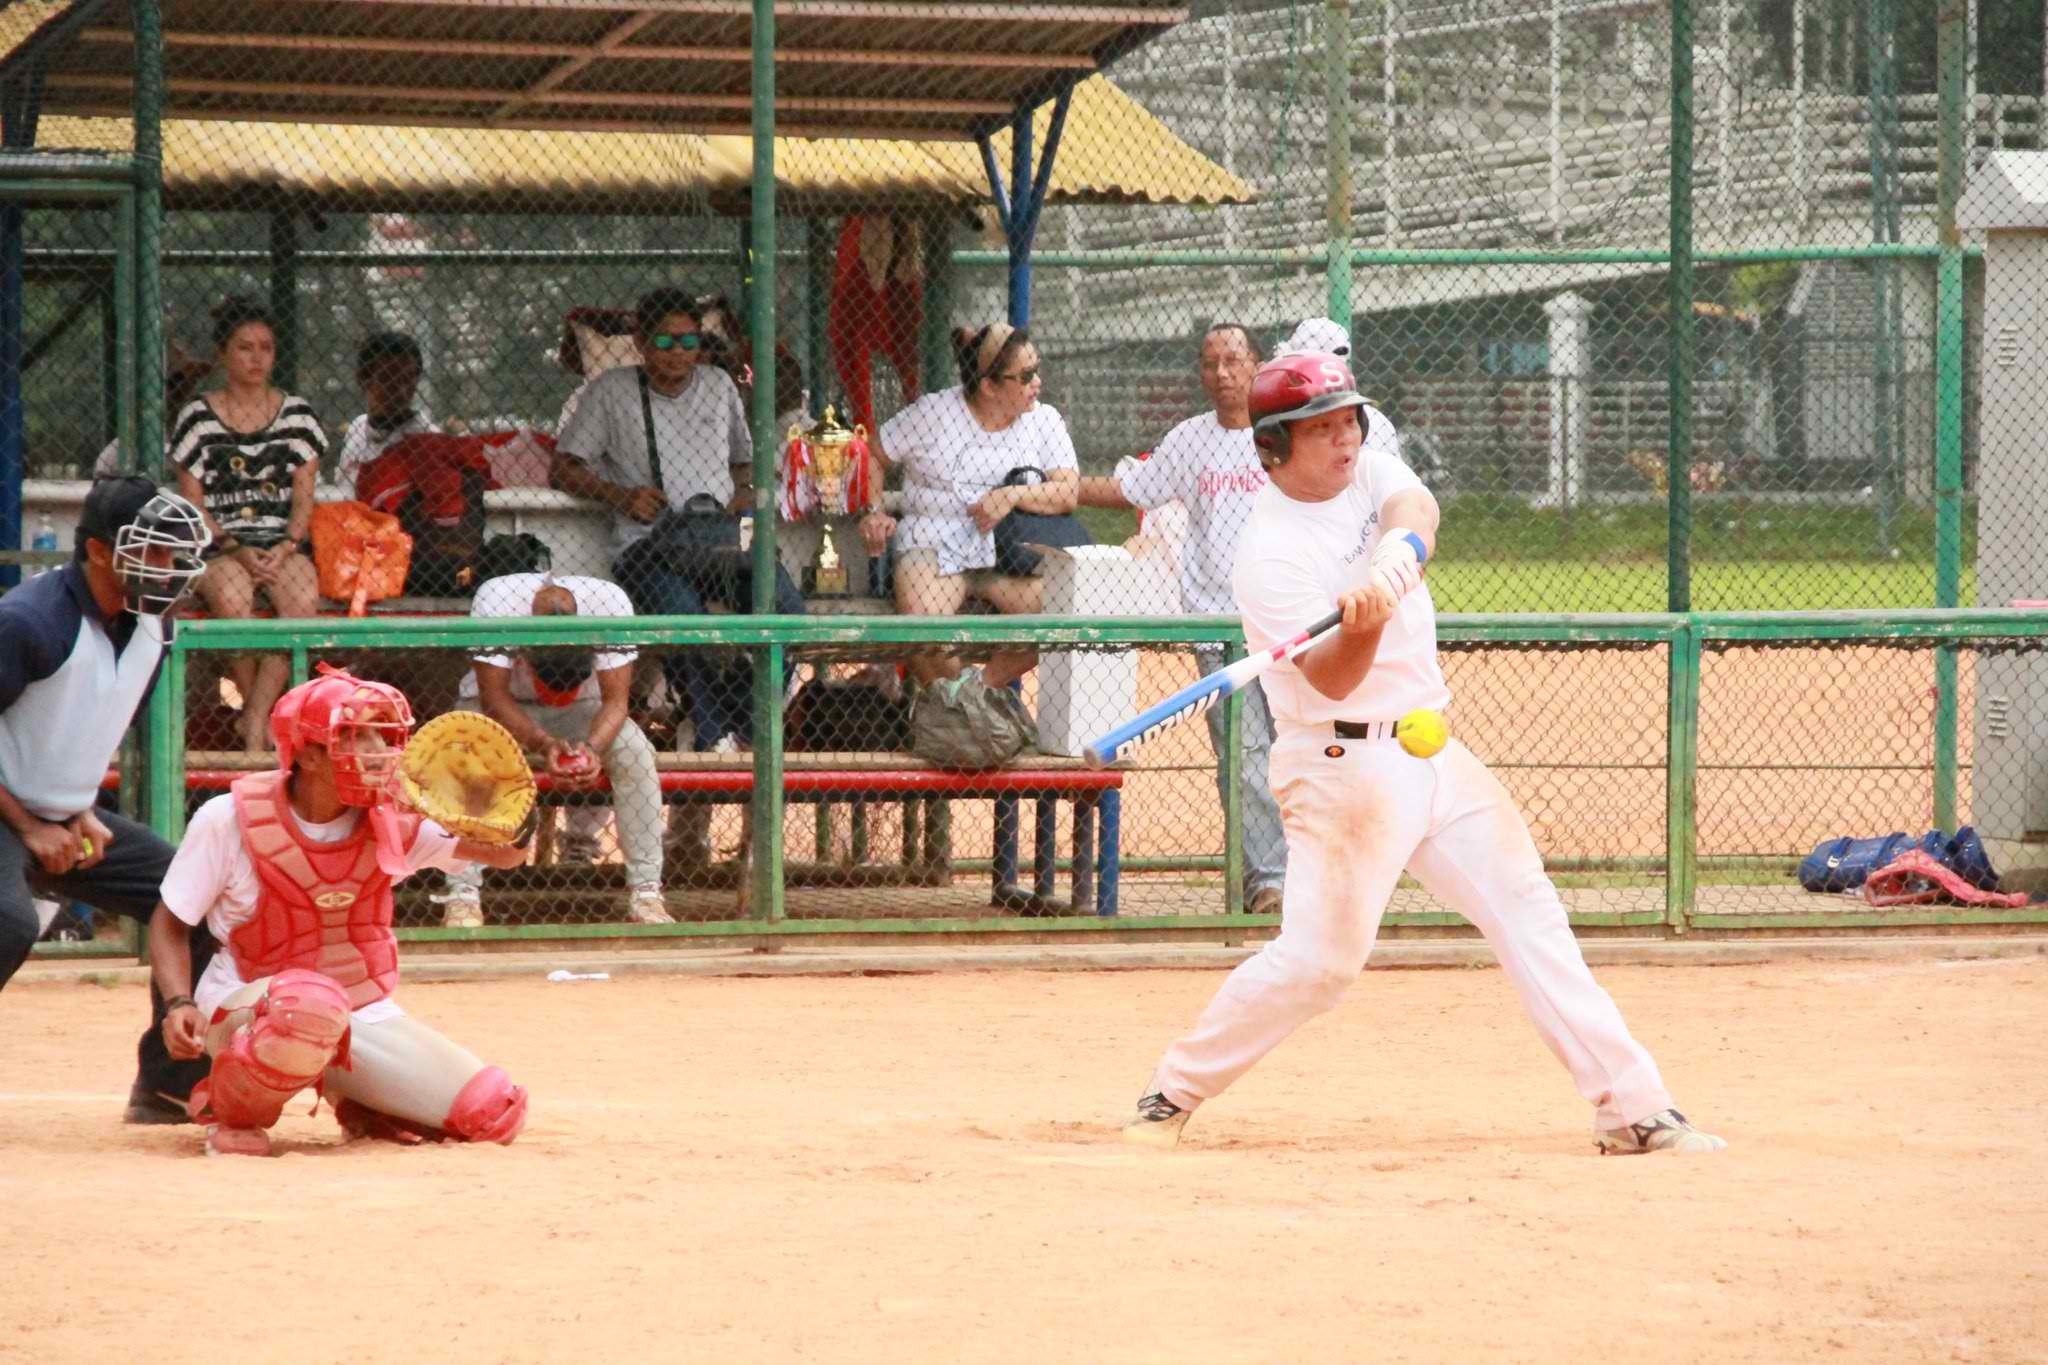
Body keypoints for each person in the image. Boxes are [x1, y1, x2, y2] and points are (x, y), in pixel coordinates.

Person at [1121, 352, 1726, 1157]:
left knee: (1529, 912)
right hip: (1343, 772)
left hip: (1429, 746)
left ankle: (1632, 1106)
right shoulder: (1268, 555)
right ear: (1274, 447)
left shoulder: (1366, 471)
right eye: (1322, 429)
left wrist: (1392, 562)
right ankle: (1173, 1090)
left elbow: (1415, 505)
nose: (1345, 440)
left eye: (1348, 421)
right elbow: (1334, 680)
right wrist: (1361, 622)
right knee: (1320, 966)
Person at [147, 668, 533, 1157]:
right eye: (356, 738)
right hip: (251, 1005)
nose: (378, 753)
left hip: (358, 1011)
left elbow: (508, 854)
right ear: (308, 753)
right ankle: (234, 1113)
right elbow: (169, 923)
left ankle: (362, 1102)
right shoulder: (229, 819)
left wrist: (496, 811)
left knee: (492, 1111)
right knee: (307, 1003)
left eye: (384, 737)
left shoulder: (391, 819)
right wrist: (178, 1003)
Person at [0, 477, 221, 1124]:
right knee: (8, 921)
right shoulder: (31, 622)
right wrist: (29, 824)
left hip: (57, 813)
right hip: (7, 810)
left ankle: (168, 1083)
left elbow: (84, 721)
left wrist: (79, 809)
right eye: (152, 553)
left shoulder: (154, 624)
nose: (170, 569)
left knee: (191, 894)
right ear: (99, 551)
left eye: (175, 554)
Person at [1077, 322, 1286, 915]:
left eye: (1233, 360)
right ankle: (1267, 880)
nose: (1221, 373)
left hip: (1287, 620)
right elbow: (1132, 489)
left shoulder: (1284, 433)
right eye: (1210, 363)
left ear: (1256, 364)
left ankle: (1311, 875)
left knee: (1298, 750)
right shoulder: (1191, 440)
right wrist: (1063, 489)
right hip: (1220, 627)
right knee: (1244, 757)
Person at [552, 287, 766, 753]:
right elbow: (563, 466)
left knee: (784, 608)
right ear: (643, 343)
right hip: (648, 544)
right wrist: (620, 496)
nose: (678, 354)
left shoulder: (719, 385)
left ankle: (746, 724)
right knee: (685, 621)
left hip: (717, 540)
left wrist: (743, 512)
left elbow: (744, 468)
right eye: (665, 343)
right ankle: (714, 734)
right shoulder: (610, 390)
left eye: (688, 342)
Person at [441, 571, 672, 928]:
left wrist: (593, 748)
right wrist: (544, 742)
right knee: (464, 747)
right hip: (500, 709)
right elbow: (493, 696)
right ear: (527, 653)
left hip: (583, 709)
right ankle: (462, 896)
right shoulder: (498, 598)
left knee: (634, 750)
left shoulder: (609, 603)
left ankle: (646, 893)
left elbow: (616, 701)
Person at [859, 322, 1078, 687]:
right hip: (935, 545)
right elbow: (873, 455)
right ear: (989, 386)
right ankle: (968, 712)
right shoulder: (935, 412)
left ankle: (973, 697)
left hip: (1008, 555)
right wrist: (873, 511)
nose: (1036, 383)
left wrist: (1012, 495)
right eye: (1025, 376)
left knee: (1071, 603)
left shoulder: (1043, 420)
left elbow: (1068, 491)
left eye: (1036, 370)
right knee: (920, 623)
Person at [170, 297, 327, 752]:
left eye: (266, 347)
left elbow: (304, 500)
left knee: (301, 597)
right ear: (223, 354)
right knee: (233, 595)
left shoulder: (297, 416)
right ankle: (260, 723)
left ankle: (256, 719)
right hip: (218, 547)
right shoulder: (197, 417)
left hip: (283, 545)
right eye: (245, 347)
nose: (257, 358)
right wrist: (236, 546)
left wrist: (288, 545)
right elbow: (193, 505)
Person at [334, 330, 436, 493]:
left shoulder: (428, 442)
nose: (402, 391)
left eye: (408, 379)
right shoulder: (357, 428)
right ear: (363, 379)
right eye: (388, 379)